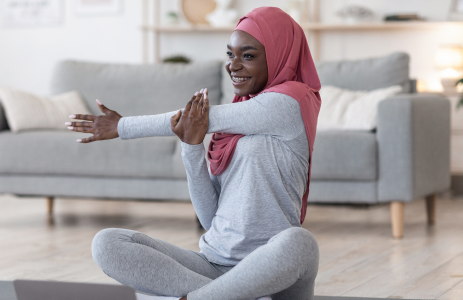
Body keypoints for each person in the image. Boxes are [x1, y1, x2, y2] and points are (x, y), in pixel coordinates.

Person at [65, 7, 321, 300]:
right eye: (230, 54)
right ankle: (217, 296)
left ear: (279, 55)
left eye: (247, 56)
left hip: (273, 274)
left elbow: (195, 118)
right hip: (213, 265)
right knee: (107, 242)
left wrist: (122, 126)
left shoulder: (291, 102)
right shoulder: (229, 134)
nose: (233, 66)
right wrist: (191, 146)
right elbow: (211, 220)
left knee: (300, 243)